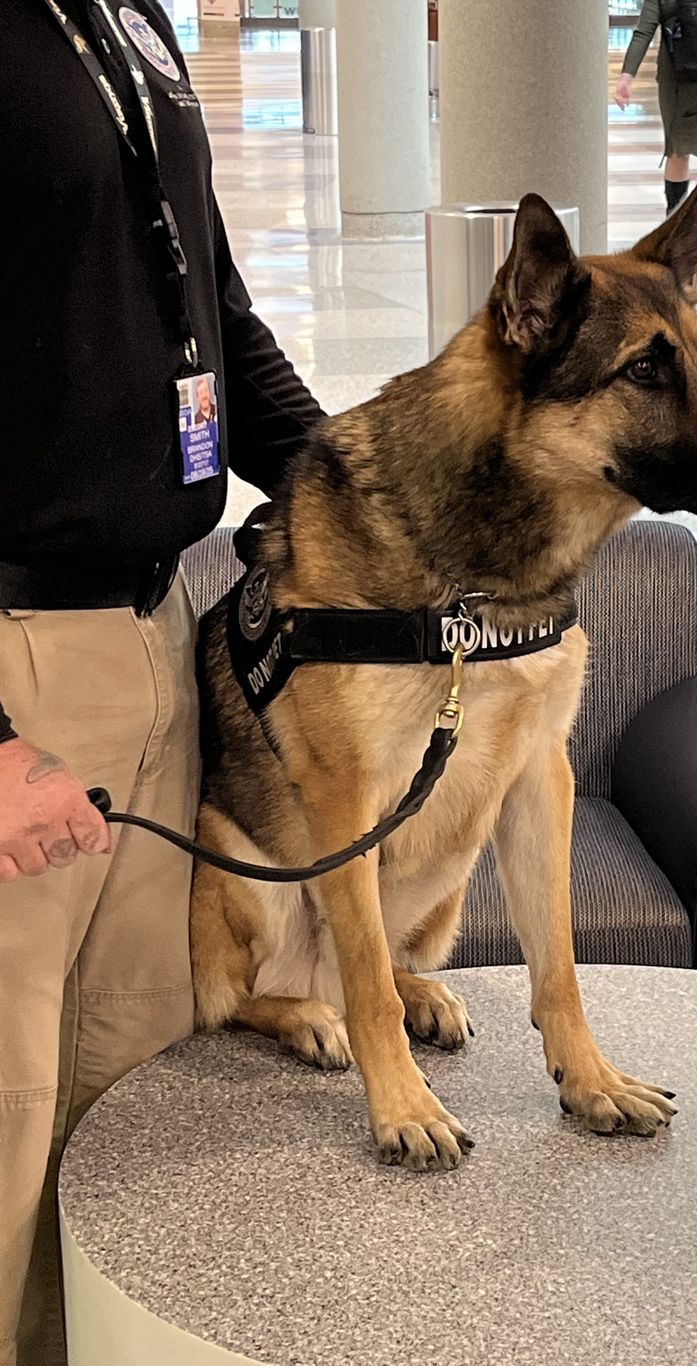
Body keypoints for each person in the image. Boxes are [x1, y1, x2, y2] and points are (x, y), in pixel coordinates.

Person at [0, 3, 324, 1363]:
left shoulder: (131, 21)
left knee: (126, 1102)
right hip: (19, 667)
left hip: (153, 632)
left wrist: (366, 503)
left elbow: (214, 315)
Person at [615, 0, 697, 253]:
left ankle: (673, 224)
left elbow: (644, 30)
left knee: (678, 148)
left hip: (680, 70)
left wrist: (627, 76)